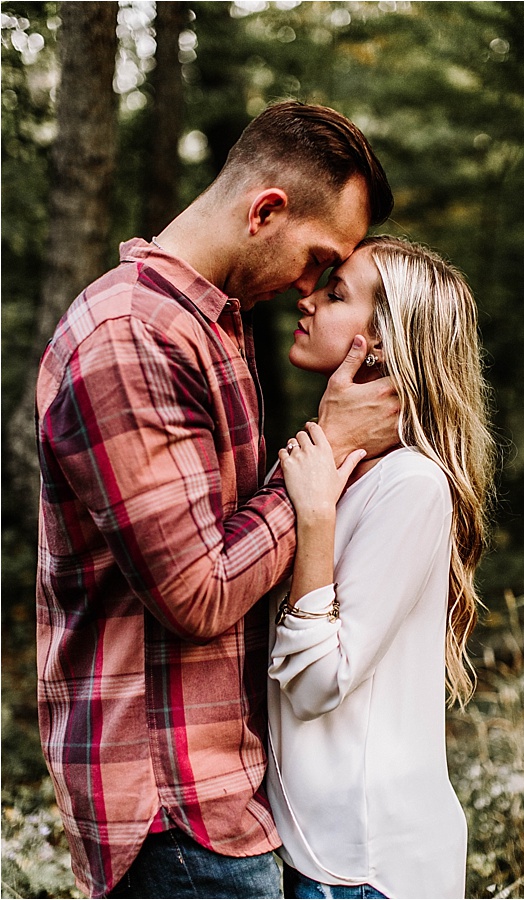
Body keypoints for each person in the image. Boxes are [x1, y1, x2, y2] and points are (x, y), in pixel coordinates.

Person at [36, 101, 399, 899]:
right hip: (173, 805)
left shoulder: (210, 325)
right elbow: (198, 594)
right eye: (317, 258)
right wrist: (326, 451)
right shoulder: (129, 337)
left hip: (219, 793)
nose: (312, 285)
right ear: (266, 210)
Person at [265, 235, 495, 899]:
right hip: (321, 852)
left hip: (366, 867)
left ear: (382, 344)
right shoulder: (348, 474)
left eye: (335, 294)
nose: (305, 300)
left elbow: (316, 685)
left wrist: (313, 519)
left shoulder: (411, 485)